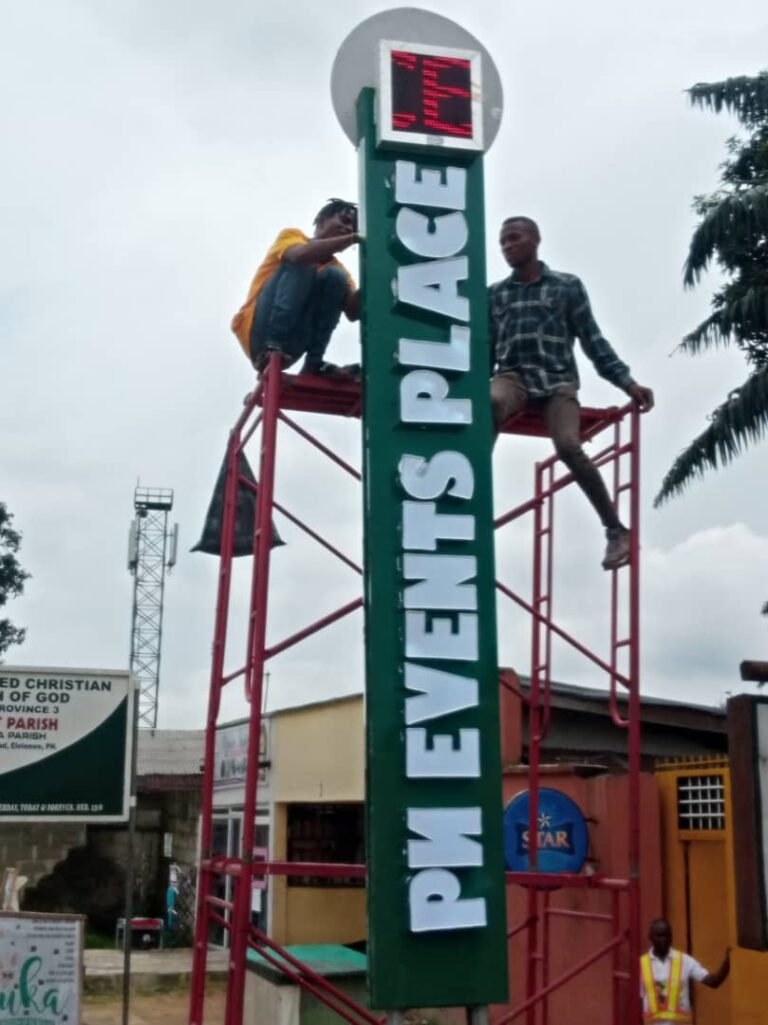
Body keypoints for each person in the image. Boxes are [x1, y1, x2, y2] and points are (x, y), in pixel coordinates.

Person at [488, 216, 654, 570]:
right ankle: (467, 498)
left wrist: (627, 382)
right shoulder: (496, 294)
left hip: (557, 381)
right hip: (513, 377)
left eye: (514, 238)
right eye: (502, 241)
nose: (507, 246)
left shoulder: (566, 287)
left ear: (535, 241)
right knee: (488, 403)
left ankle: (615, 530)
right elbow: (485, 350)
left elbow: (594, 341)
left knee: (567, 444)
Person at [231, 199, 361, 379]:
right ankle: (271, 348)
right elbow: (299, 255)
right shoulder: (293, 237)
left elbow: (353, 312)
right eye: (345, 221)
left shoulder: (337, 269)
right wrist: (354, 238)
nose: (348, 230)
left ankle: (314, 363)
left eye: (353, 228)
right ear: (322, 220)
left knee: (336, 278)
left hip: (293, 346)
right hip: (261, 332)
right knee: (305, 261)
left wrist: (377, 273)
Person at [640, 918, 730, 1023]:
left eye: (667, 935)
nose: (664, 939)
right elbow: (638, 1001)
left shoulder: (685, 961)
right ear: (650, 937)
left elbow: (713, 982)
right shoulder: (641, 964)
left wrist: (729, 961)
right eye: (659, 935)